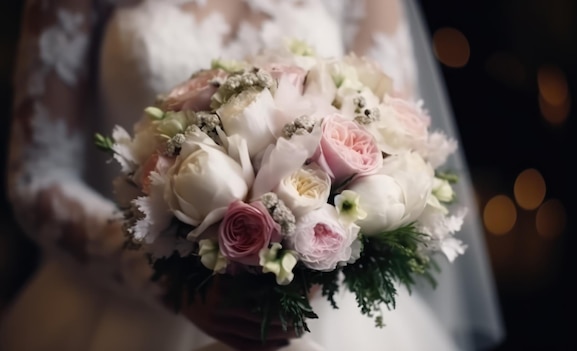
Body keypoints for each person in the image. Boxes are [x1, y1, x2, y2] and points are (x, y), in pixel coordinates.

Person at [1, 0, 504, 350]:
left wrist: (315, 256)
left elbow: (396, 148)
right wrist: (162, 277)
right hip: (118, 313)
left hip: (321, 315)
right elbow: (37, 176)